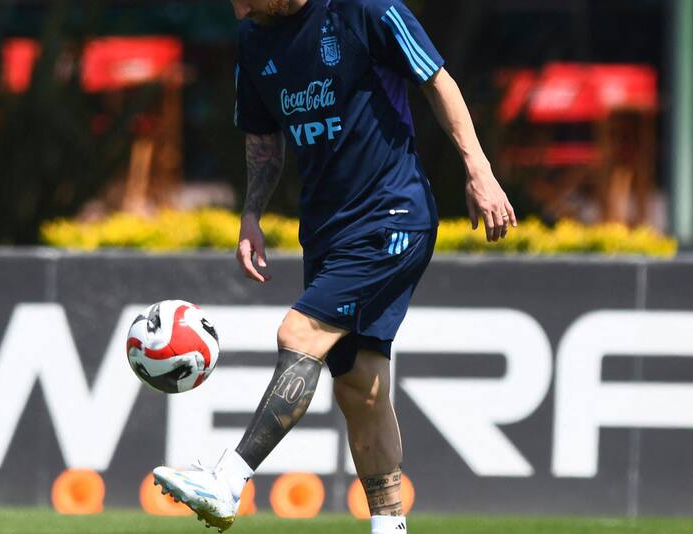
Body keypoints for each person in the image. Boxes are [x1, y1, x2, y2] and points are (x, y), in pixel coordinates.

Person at [153, 0, 517, 532]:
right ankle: (390, 528)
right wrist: (251, 213)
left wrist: (478, 172)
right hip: (326, 230)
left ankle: (228, 480)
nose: (236, 4)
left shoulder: (363, 10)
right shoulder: (254, 38)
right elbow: (262, 138)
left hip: (393, 213)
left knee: (298, 331)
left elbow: (437, 80)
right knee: (360, 389)